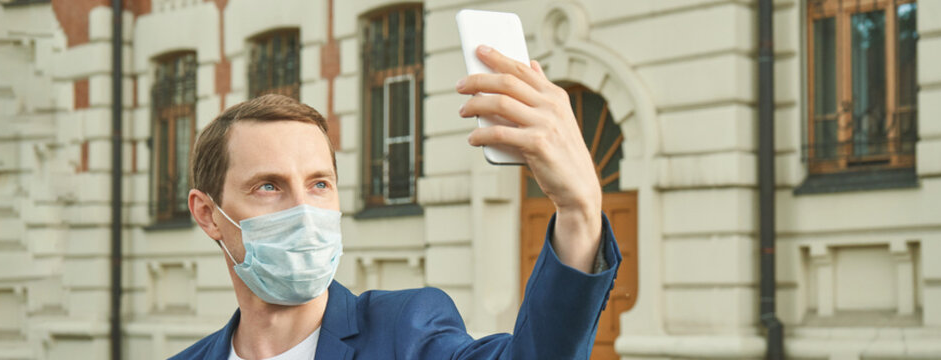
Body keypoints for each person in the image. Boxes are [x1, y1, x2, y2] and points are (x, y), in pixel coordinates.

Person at [171, 45, 621, 360]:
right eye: (269, 186)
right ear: (208, 214)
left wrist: (579, 211)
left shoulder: (407, 331)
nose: (303, 211)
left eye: (319, 185)